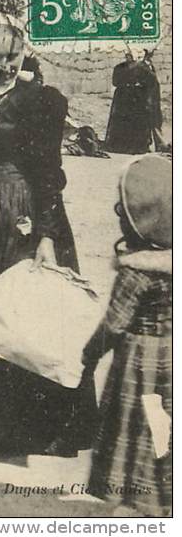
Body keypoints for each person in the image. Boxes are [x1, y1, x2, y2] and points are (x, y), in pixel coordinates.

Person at [0, 11, 97, 455]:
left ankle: (45, 427)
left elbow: (49, 170)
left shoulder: (43, 100)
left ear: (24, 52)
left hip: (30, 213)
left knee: (37, 315)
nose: (6, 65)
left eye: (13, 55)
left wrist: (47, 233)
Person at [84, 154, 171, 517]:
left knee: (135, 430)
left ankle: (133, 502)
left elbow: (114, 324)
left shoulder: (137, 271)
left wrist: (90, 353)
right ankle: (164, 500)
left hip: (139, 362)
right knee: (163, 430)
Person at [105, 49, 163, 154]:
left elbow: (151, 82)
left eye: (130, 56)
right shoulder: (119, 67)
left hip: (137, 99)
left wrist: (140, 87)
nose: (128, 57)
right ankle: (118, 146)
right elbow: (115, 81)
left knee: (136, 122)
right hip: (122, 98)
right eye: (127, 55)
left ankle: (138, 146)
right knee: (121, 121)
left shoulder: (143, 68)